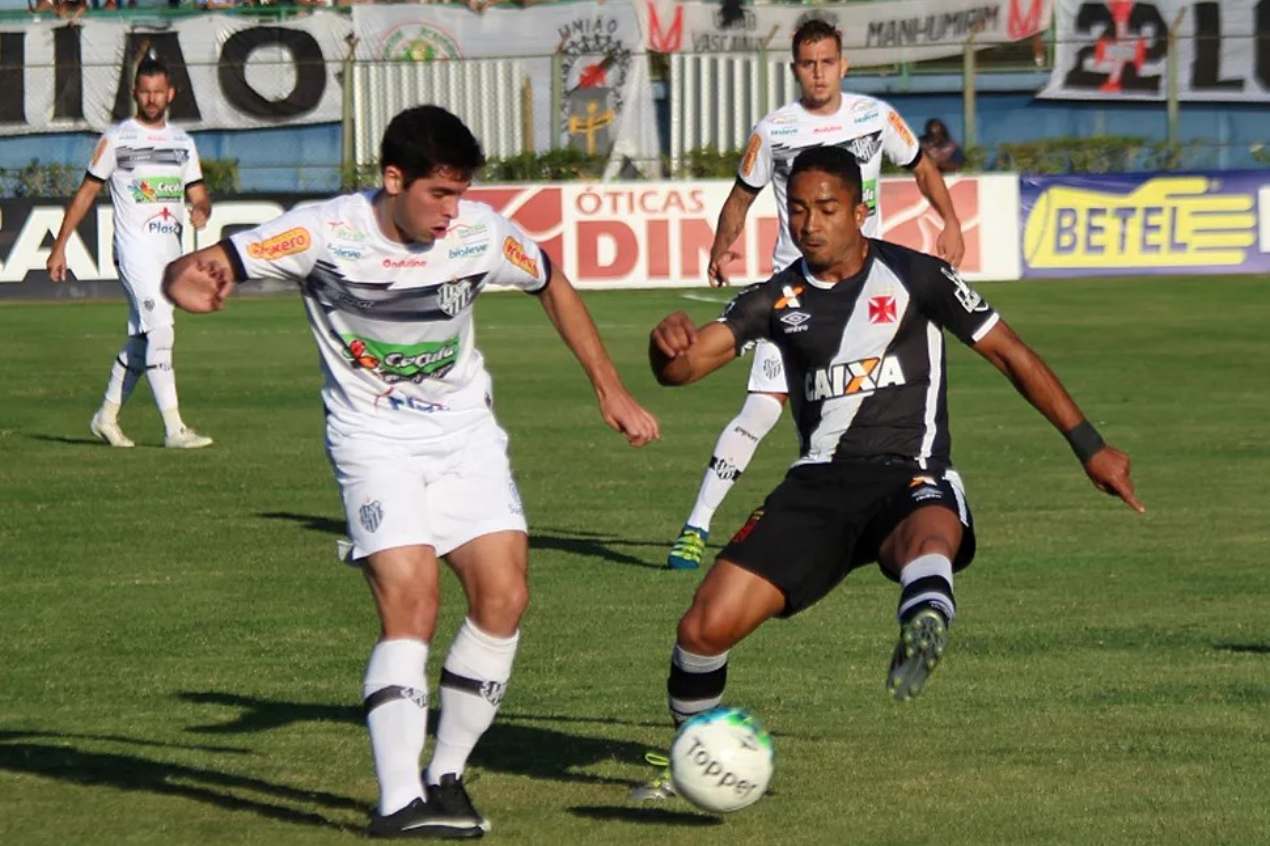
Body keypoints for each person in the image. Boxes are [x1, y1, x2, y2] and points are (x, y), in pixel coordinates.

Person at [161, 105, 661, 839]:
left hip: (465, 438)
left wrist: (608, 387)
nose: (452, 211)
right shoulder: (324, 233)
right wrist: (187, 277)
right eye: (438, 194)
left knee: (505, 597)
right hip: (374, 442)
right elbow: (214, 261)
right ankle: (398, 801)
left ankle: (445, 777)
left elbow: (551, 280)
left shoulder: (479, 234)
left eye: (460, 194)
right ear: (393, 179)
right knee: (414, 600)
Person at [637, 145, 1142, 798]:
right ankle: (692, 755)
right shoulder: (776, 298)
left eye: (826, 208)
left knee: (930, 524)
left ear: (861, 209)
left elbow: (1011, 354)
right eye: (797, 209)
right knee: (702, 626)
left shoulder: (917, 276)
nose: (810, 223)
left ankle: (927, 609)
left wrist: (1089, 445)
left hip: (908, 469)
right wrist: (665, 348)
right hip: (817, 485)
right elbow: (684, 368)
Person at [665, 19, 965, 569]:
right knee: (761, 408)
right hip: (795, 297)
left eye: (828, 61)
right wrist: (720, 246)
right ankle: (695, 526)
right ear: (795, 69)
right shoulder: (775, 129)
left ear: (843, 65)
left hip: (867, 290)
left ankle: (856, 522)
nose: (819, 73)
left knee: (859, 420)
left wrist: (949, 220)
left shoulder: (875, 117)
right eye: (808, 63)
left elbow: (922, 165)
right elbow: (743, 193)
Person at [47, 57, 213, 450]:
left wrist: (201, 211)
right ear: (135, 93)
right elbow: (87, 191)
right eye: (145, 92)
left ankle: (106, 416)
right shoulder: (117, 139)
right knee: (161, 332)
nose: (152, 99)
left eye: (159, 92)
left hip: (170, 256)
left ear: (170, 94)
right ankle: (174, 429)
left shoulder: (183, 143)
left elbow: (199, 194)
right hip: (133, 251)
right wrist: (59, 246)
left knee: (144, 340)